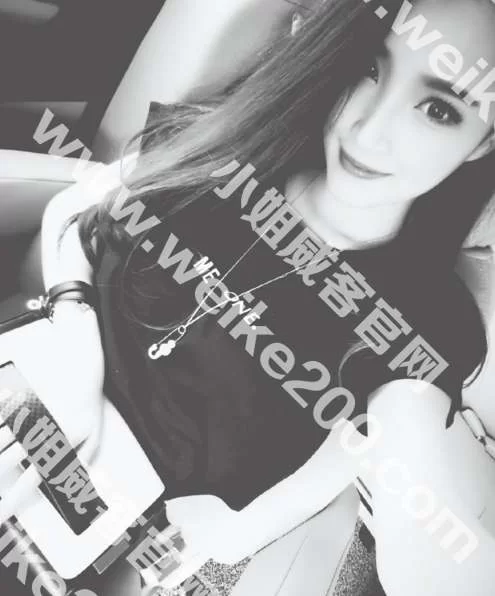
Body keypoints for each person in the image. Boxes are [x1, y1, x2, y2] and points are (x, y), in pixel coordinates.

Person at [30, 0, 495, 593]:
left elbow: (398, 496)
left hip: (102, 546)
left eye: (439, 109)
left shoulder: (422, 325)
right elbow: (76, 209)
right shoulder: (232, 145)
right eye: (369, 68)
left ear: (483, 142)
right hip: (30, 400)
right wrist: (75, 342)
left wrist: (231, 535)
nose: (369, 130)